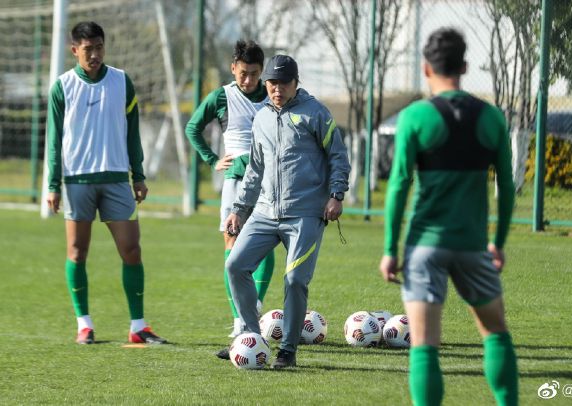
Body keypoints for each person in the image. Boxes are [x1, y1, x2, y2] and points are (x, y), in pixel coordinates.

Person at [379, 28, 518, 405]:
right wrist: (499, 242)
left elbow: (398, 186)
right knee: (495, 332)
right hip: (473, 246)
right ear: (465, 67)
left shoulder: (415, 117)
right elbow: (506, 187)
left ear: (426, 68)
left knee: (424, 344)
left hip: (425, 246)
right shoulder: (491, 117)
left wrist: (391, 248)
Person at [216, 55, 350, 368]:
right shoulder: (260, 117)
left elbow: (338, 157)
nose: (278, 89)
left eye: (284, 83)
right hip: (264, 212)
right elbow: (254, 169)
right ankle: (250, 336)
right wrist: (239, 209)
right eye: (273, 83)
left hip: (305, 214)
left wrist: (336, 195)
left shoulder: (315, 113)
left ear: (295, 83)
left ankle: (288, 350)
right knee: (235, 265)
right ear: (267, 84)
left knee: (294, 280)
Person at [46, 21, 166, 345]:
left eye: (99, 47)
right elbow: (54, 140)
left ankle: (138, 326)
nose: (95, 55)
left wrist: (137, 174)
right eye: (88, 50)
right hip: (76, 181)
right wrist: (52, 184)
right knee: (77, 252)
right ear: (75, 51)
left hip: (116, 180)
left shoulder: (121, 82)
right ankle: (84, 324)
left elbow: (132, 131)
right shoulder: (62, 86)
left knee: (131, 249)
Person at [185, 40, 275, 338]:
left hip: (269, 184)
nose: (248, 80)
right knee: (232, 247)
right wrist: (212, 160)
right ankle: (239, 319)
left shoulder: (274, 95)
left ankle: (255, 306)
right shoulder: (221, 96)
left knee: (265, 245)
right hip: (235, 183)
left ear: (262, 72)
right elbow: (192, 128)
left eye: (255, 73)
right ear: (233, 67)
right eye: (243, 73)